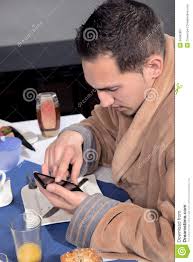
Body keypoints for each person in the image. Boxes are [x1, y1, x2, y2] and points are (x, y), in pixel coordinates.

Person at [40, 0, 174, 261]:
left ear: (153, 67)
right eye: (96, 88)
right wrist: (77, 137)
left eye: (111, 89)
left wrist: (91, 211)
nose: (103, 102)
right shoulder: (145, 80)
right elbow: (108, 127)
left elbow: (176, 242)